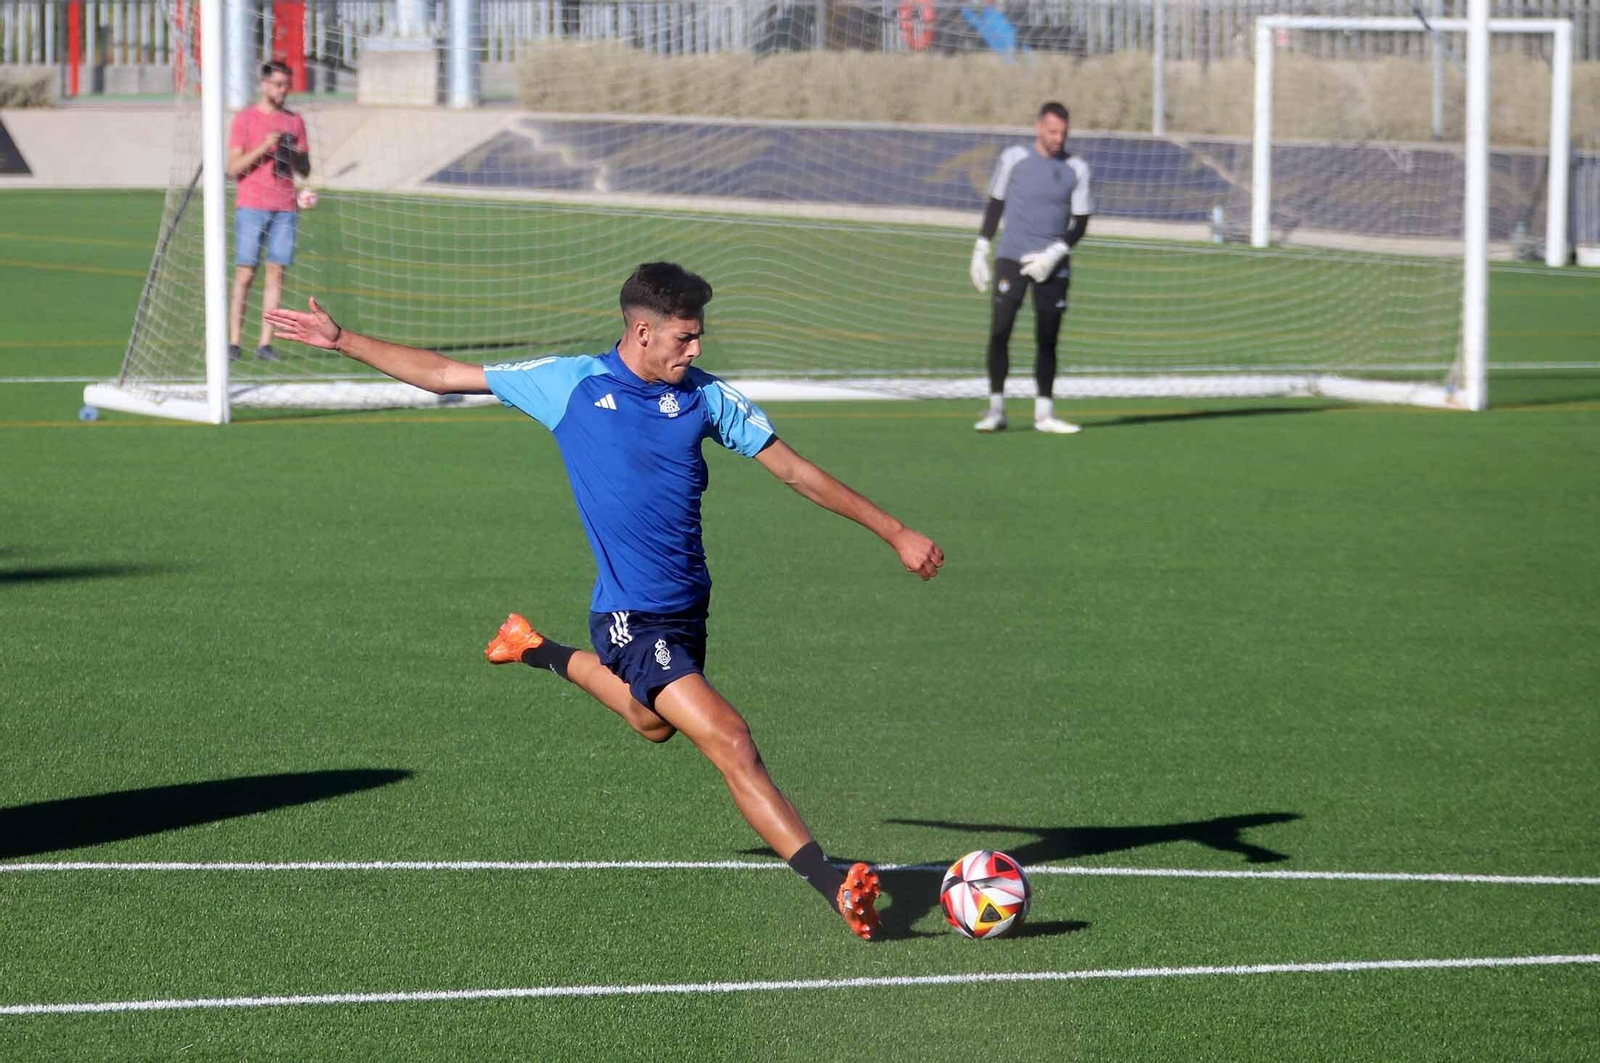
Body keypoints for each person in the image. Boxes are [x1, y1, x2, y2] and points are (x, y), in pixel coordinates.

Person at [264, 263, 945, 941]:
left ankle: (535, 647)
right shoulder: (571, 384)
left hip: (687, 609)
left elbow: (794, 470)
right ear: (642, 332)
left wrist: (894, 531)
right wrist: (343, 338)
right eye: (685, 338)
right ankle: (835, 881)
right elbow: (445, 374)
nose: (696, 350)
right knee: (730, 737)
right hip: (629, 615)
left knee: (652, 724)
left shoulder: (706, 398)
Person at [968, 101, 1093, 434]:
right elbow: (995, 203)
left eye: (1063, 133)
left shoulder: (1076, 168)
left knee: (1047, 339)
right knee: (1000, 331)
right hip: (1012, 257)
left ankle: (1044, 414)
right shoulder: (1014, 158)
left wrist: (1054, 254)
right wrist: (981, 247)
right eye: (1052, 132)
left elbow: (1080, 223)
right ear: (1039, 127)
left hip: (1053, 263)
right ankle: (996, 409)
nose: (1058, 139)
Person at [227, 60, 311, 364]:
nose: (283, 90)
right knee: (246, 274)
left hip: (285, 207)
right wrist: (265, 147)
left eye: (286, 84)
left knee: (276, 274)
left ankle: (265, 344)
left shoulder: (295, 121)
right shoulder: (245, 120)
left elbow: (305, 169)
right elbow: (233, 168)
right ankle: (233, 341)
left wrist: (297, 154)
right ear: (263, 85)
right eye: (278, 84)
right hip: (251, 206)